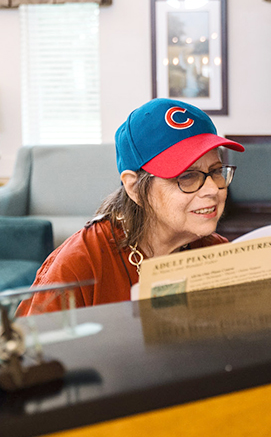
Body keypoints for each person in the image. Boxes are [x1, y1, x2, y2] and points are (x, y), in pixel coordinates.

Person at [17, 98, 244, 315]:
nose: (213, 189)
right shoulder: (79, 264)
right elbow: (28, 352)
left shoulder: (217, 252)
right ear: (134, 187)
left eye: (215, 171)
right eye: (187, 176)